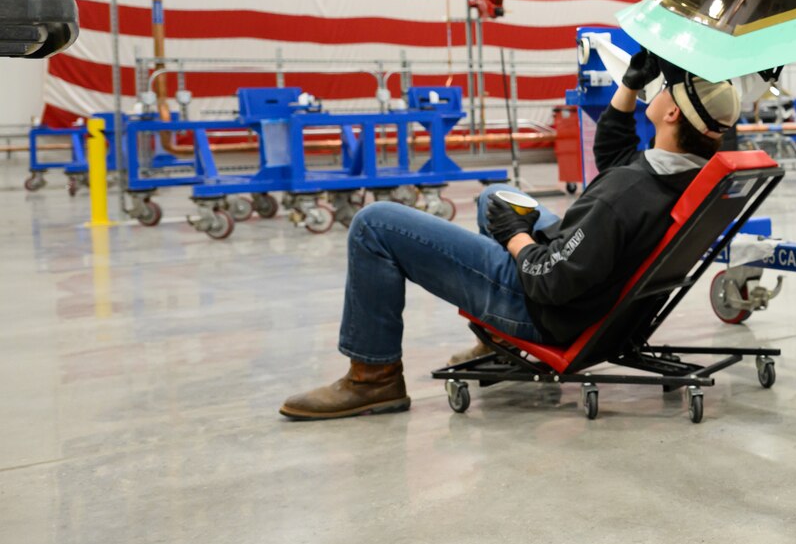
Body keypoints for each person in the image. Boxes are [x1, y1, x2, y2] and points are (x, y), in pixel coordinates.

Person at [279, 50, 740, 419]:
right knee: (495, 196)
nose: (656, 90)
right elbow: (616, 156)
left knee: (374, 223)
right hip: (601, 294)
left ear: (673, 113)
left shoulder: (623, 196)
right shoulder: (689, 176)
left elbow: (549, 279)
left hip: (548, 307)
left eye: (663, 89)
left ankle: (372, 378)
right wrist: (629, 86)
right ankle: (499, 346)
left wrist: (516, 236)